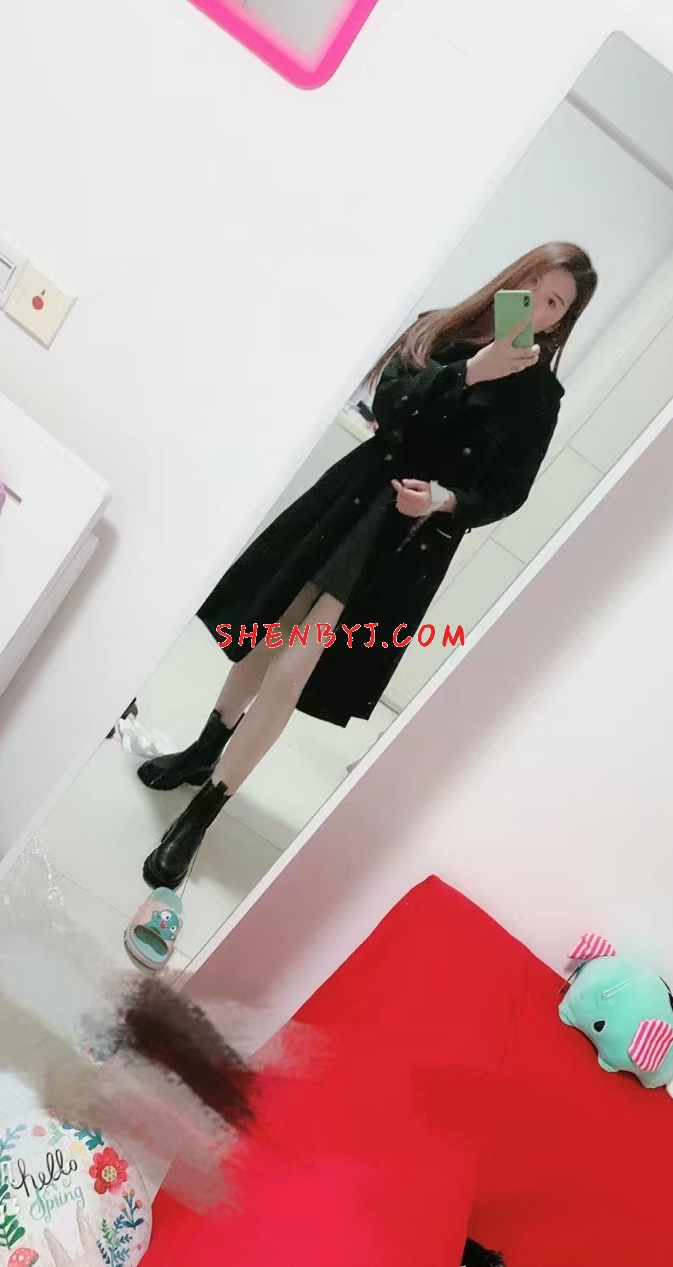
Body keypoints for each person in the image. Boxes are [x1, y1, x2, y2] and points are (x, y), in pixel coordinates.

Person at [139, 242, 598, 890]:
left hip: (406, 540)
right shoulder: (439, 329)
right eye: (533, 287)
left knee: (292, 669)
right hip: (350, 500)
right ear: (511, 279)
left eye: (553, 303)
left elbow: (507, 491)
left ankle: (201, 814)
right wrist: (471, 372)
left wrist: (444, 500)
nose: (537, 307)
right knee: (267, 637)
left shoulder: (540, 397)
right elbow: (390, 409)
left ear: (560, 321)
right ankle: (204, 750)